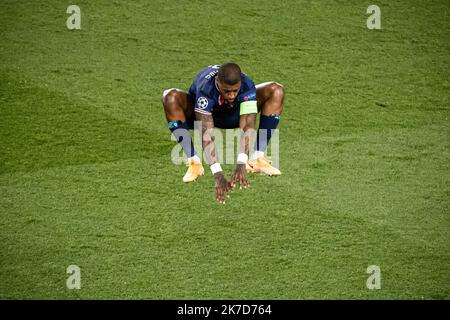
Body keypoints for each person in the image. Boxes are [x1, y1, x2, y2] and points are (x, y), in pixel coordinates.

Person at [162, 63, 284, 203]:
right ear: (217, 83)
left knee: (276, 90)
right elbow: (206, 132)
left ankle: (257, 159)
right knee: (169, 97)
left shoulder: (246, 85)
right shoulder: (205, 89)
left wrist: (241, 162)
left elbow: (248, 124)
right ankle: (194, 162)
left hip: (234, 116)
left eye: (235, 90)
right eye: (227, 91)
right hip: (204, 116)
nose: (231, 95)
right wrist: (217, 173)